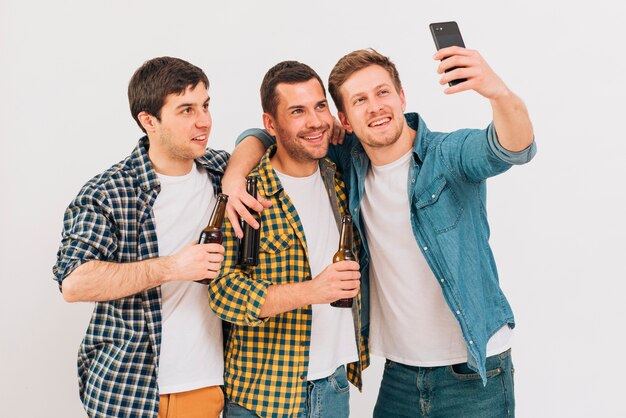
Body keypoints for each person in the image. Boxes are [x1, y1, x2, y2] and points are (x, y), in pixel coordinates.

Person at [224, 47, 536, 417]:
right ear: (346, 120)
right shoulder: (345, 163)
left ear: (402, 97)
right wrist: (234, 173)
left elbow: (511, 148)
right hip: (400, 374)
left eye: (383, 92)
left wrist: (497, 92)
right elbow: (269, 134)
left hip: (472, 371)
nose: (375, 107)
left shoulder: (447, 155)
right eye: (360, 100)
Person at [52, 57, 250, 418]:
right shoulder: (108, 192)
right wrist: (174, 267)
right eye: (186, 110)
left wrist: (236, 173)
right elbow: (74, 283)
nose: (203, 120)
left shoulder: (221, 171)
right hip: (128, 389)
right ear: (149, 121)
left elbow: (259, 139)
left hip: (206, 387)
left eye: (205, 105)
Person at [208, 61, 369, 418]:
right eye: (298, 111)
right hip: (263, 397)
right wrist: (313, 291)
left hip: (334, 387)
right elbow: (221, 292)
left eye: (320, 106)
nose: (315, 121)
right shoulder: (246, 192)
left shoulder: (341, 178)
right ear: (271, 124)